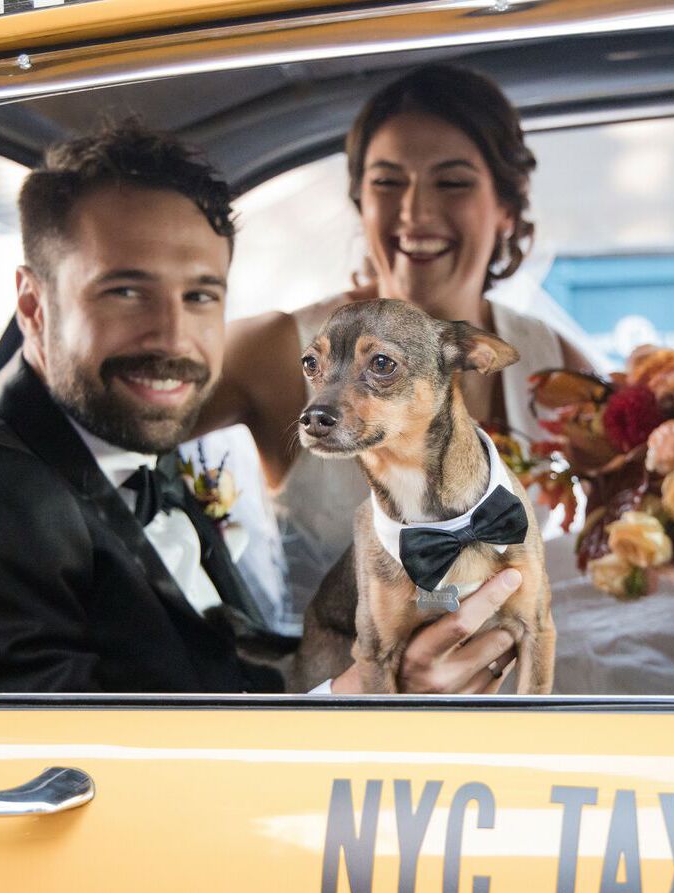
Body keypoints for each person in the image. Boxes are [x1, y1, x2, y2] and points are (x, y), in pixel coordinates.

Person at [0, 121, 520, 694]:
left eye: (200, 295)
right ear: (33, 303)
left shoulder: (122, 431)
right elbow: (55, 773)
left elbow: (214, 671)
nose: (174, 339)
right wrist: (360, 697)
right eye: (126, 291)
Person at [198, 64, 594, 632]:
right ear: (361, 201)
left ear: (506, 208)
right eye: (387, 182)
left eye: (452, 182)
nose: (415, 213)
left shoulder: (550, 362)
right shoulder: (275, 350)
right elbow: (119, 422)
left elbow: (632, 526)